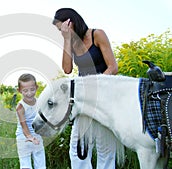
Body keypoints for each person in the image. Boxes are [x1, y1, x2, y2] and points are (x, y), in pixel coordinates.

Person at [52, 8, 118, 169]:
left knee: (105, 147)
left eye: (62, 29)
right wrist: (67, 40)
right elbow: (67, 70)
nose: (61, 32)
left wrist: (96, 83)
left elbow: (113, 67)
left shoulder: (97, 34)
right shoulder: (72, 43)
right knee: (78, 148)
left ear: (71, 22)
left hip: (104, 95)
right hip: (84, 99)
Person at [15, 73, 46, 169]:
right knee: (25, 165)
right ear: (19, 90)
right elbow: (23, 124)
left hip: (37, 135)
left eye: (32, 89)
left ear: (36, 87)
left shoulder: (39, 102)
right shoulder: (21, 106)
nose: (29, 93)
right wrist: (30, 137)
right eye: (25, 90)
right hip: (23, 137)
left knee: (40, 163)